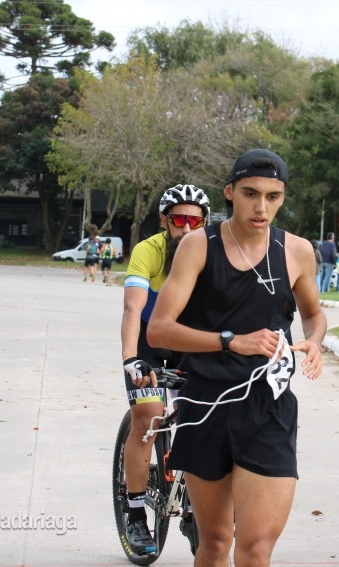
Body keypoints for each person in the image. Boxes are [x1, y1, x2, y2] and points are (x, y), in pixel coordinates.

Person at [146, 148, 326, 567]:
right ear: (230, 192)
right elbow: (159, 329)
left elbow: (314, 314)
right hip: (205, 404)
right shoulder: (198, 246)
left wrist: (315, 341)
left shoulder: (297, 251)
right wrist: (230, 341)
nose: (261, 207)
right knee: (214, 543)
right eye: (250, 194)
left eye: (272, 196)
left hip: (268, 408)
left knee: (256, 548)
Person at [119, 184, 210, 553]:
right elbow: (132, 307)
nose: (186, 228)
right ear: (164, 221)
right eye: (179, 220)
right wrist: (130, 358)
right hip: (149, 342)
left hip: (189, 340)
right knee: (148, 418)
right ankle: (135, 515)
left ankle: (194, 507)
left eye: (195, 221)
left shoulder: (211, 252)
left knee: (206, 419)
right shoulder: (148, 251)